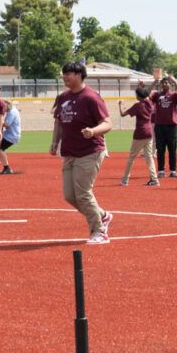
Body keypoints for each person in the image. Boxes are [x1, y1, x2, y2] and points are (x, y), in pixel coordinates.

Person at [50, 60, 113, 241]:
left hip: (90, 151)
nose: (64, 77)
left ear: (79, 75)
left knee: (83, 193)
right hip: (70, 153)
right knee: (70, 195)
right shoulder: (63, 97)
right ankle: (102, 215)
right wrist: (55, 142)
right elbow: (58, 122)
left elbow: (108, 123)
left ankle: (99, 232)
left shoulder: (91, 97)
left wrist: (93, 131)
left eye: (68, 74)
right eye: (64, 74)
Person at [120, 82, 160, 187]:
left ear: (139, 96)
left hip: (140, 132)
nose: (135, 96)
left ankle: (125, 179)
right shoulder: (150, 103)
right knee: (149, 157)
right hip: (149, 132)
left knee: (131, 157)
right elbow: (147, 95)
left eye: (136, 94)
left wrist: (121, 105)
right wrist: (143, 88)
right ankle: (154, 179)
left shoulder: (138, 105)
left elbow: (122, 114)